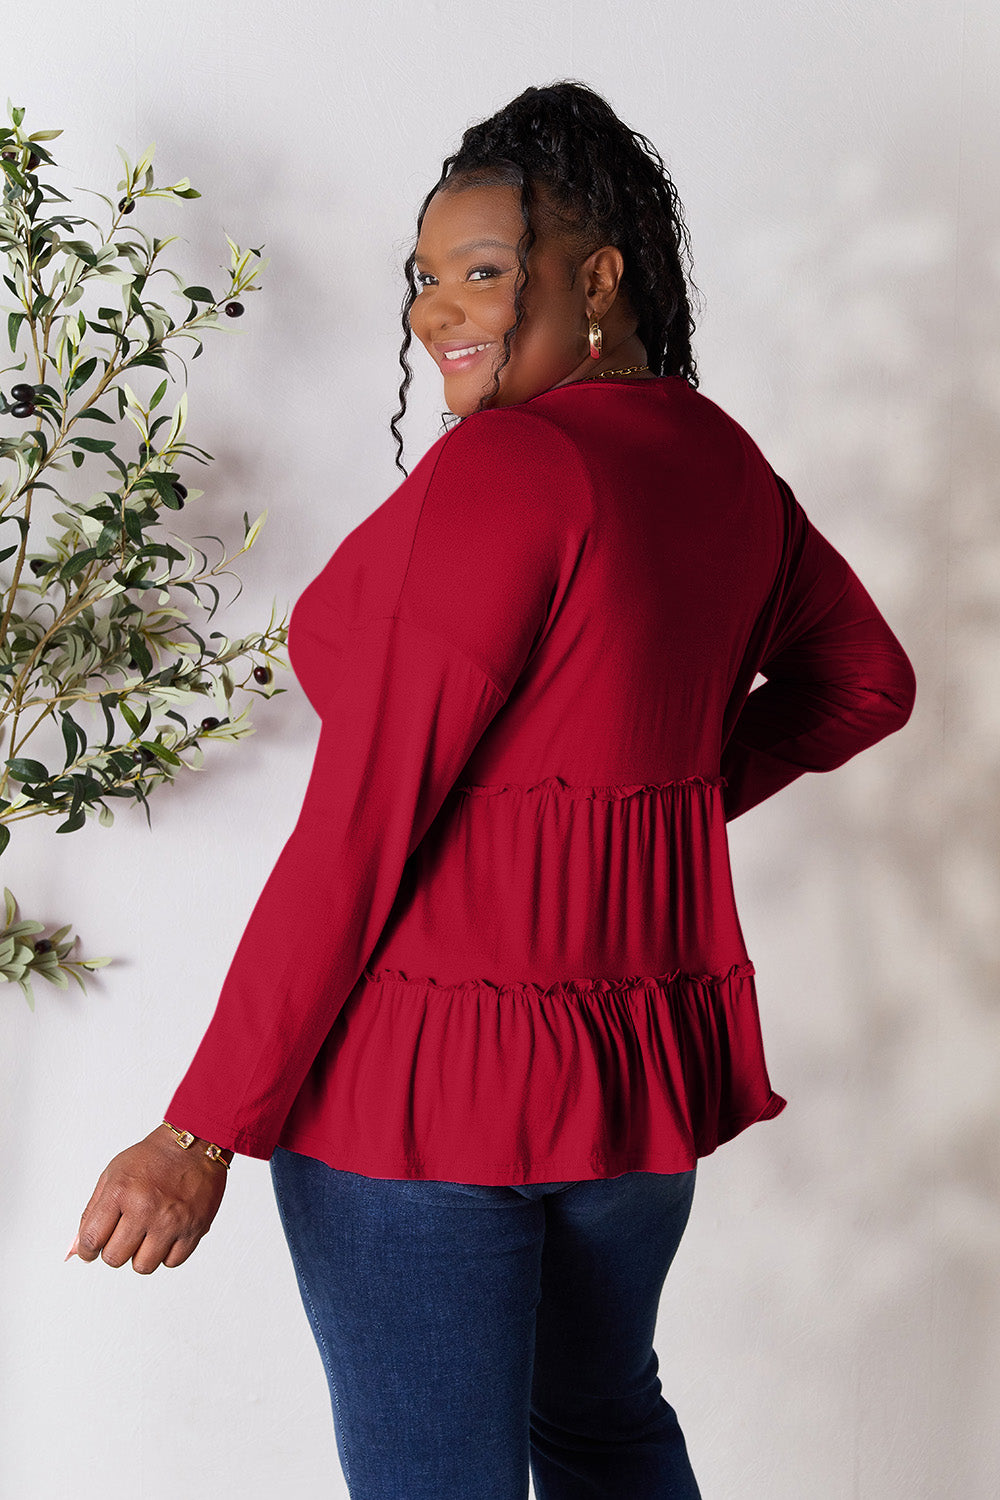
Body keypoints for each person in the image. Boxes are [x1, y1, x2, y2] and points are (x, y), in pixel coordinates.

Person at [69, 80, 917, 1500]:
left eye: (483, 272)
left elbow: (358, 834)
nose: (440, 312)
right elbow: (865, 686)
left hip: (417, 1095)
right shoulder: (719, 462)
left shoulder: (515, 470)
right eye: (424, 279)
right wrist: (654, 808)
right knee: (607, 1431)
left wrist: (197, 1130)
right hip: (626, 1086)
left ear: (597, 277)